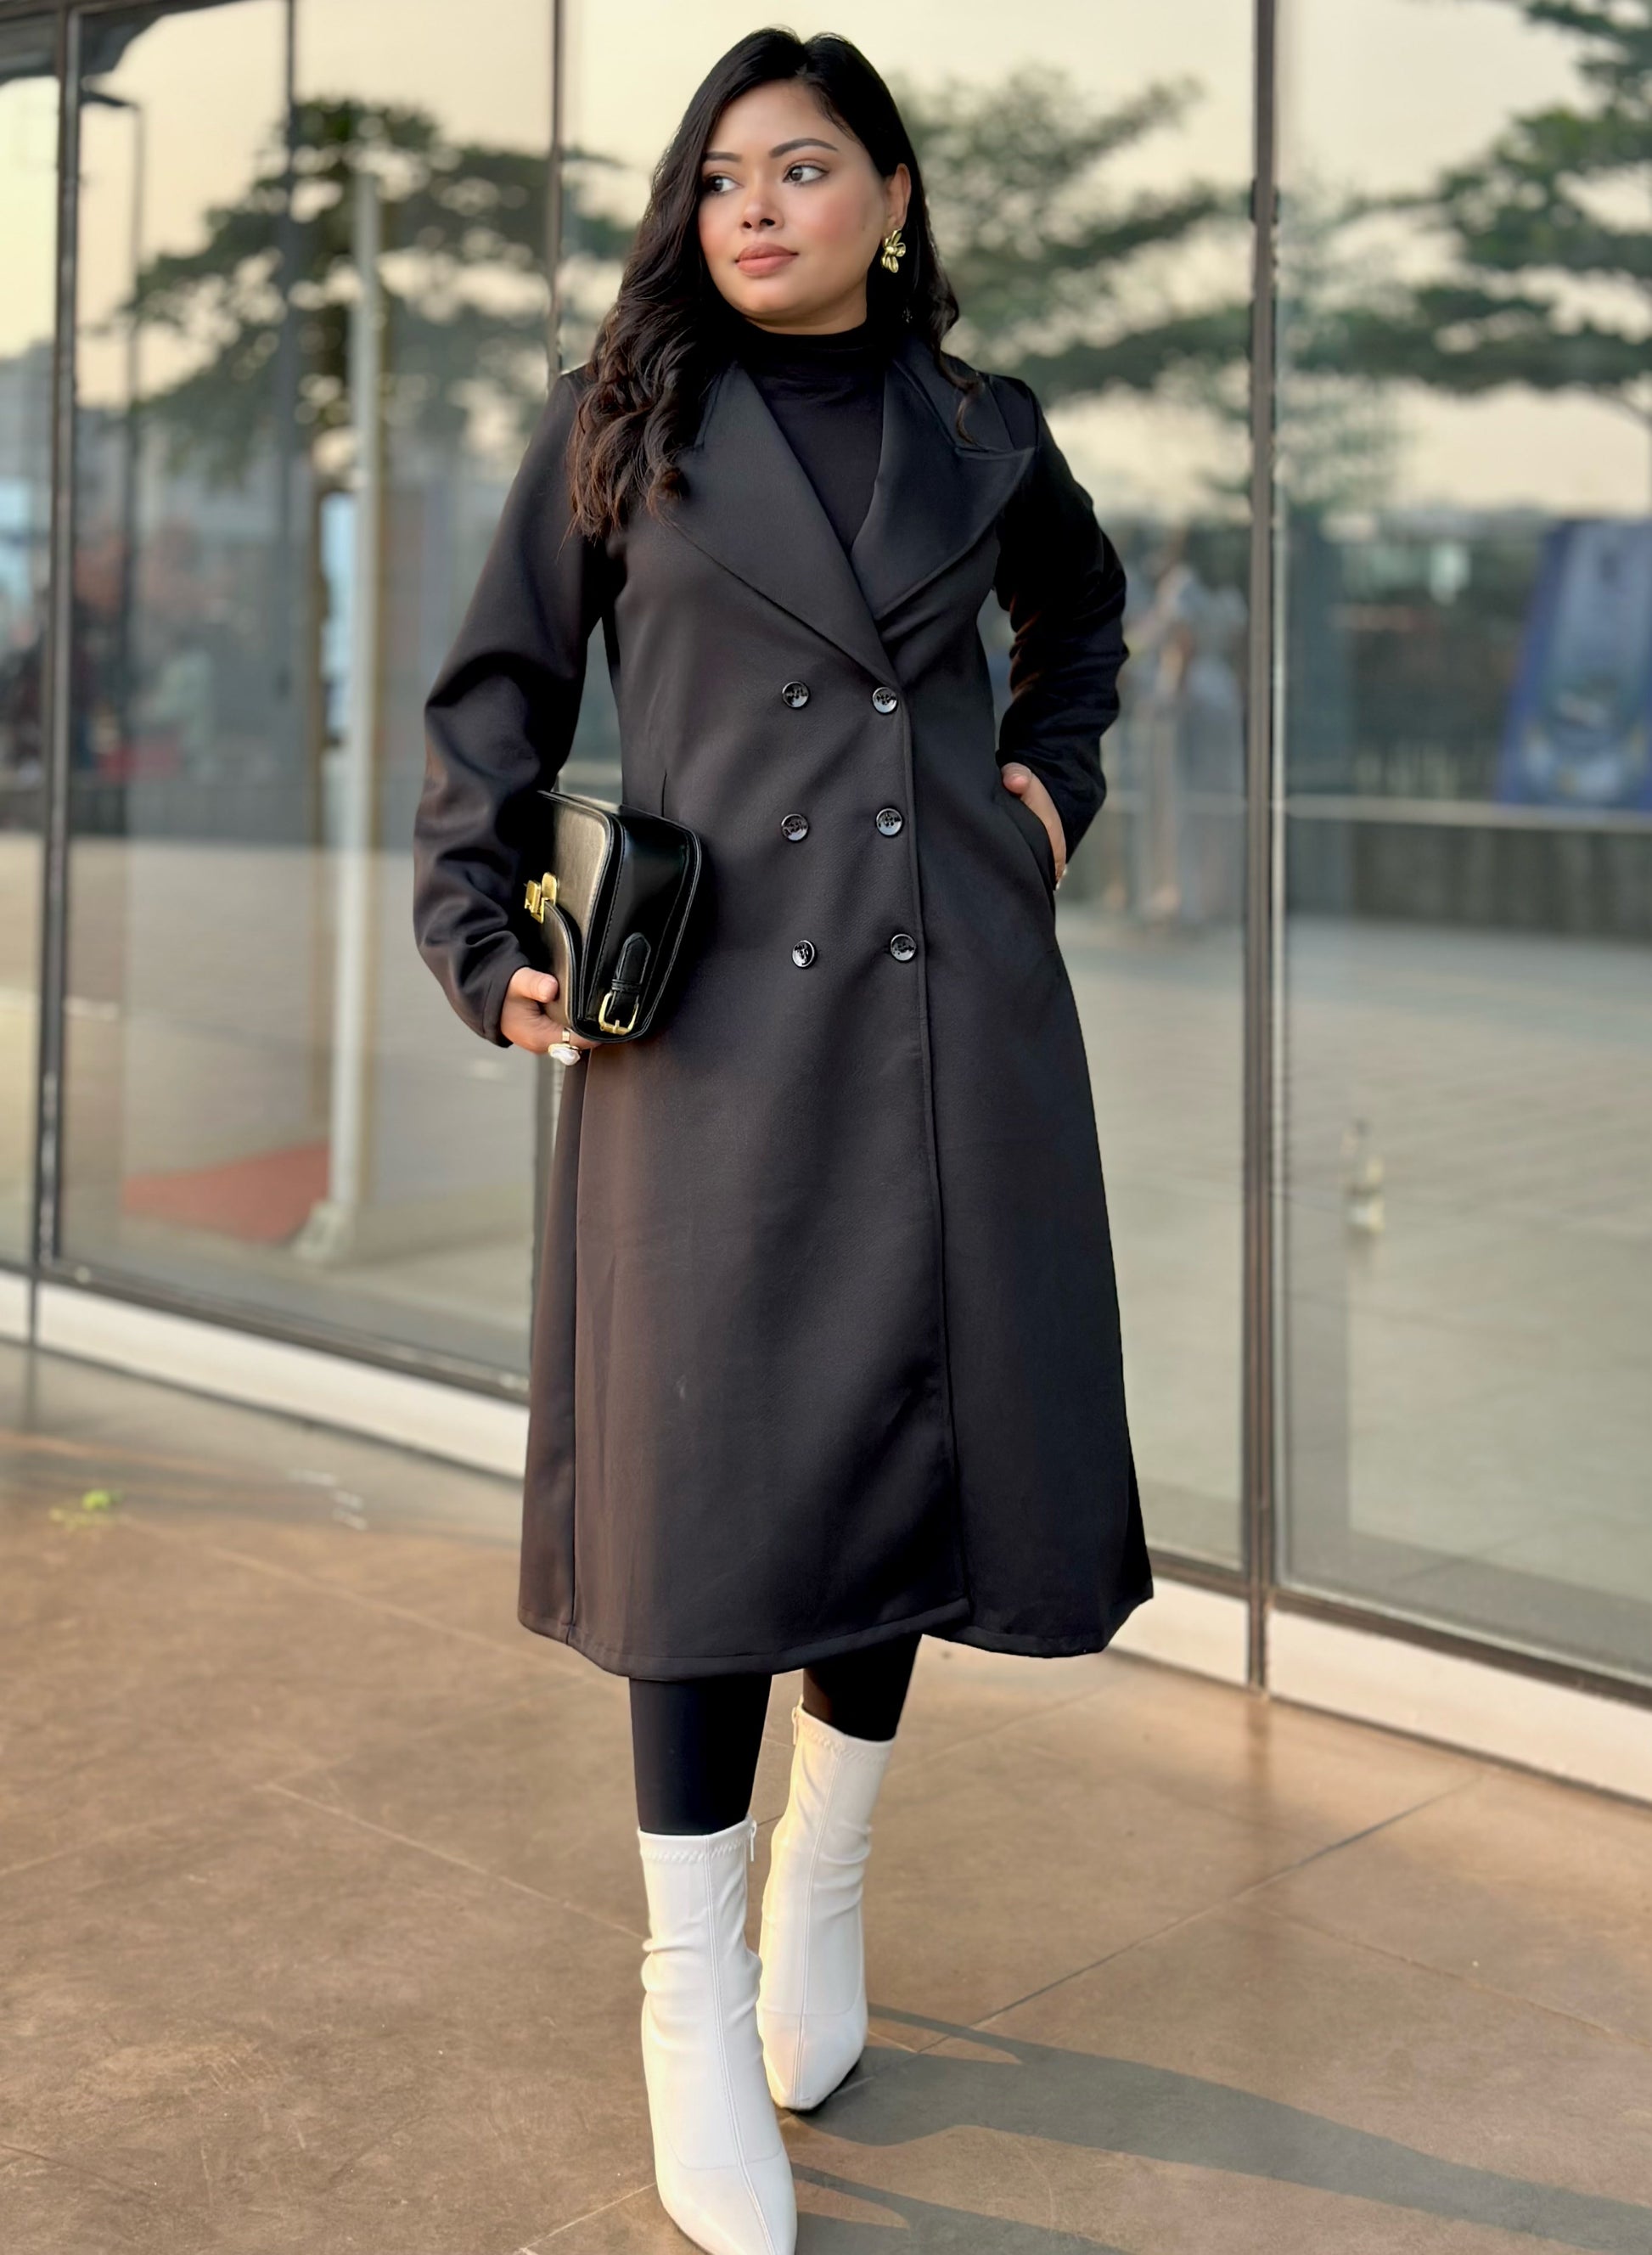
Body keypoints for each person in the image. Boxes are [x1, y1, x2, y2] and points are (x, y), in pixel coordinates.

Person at [412, 30, 1151, 2255]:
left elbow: (1083, 621)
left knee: (901, 1446)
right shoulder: (623, 417)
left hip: (950, 1017)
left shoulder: (987, 431)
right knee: (714, 1489)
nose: (753, 205)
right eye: (723, 172)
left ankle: (820, 1888)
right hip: (709, 1032)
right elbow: (496, 700)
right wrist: (479, 927)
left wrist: (1051, 788)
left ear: (892, 202)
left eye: (804, 166)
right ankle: (686, 1992)